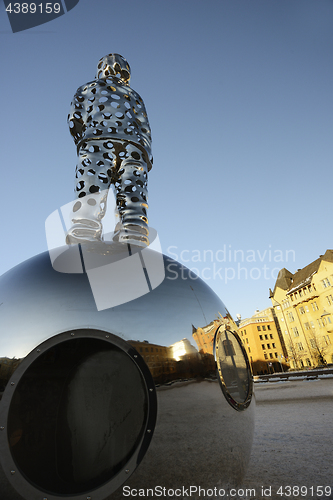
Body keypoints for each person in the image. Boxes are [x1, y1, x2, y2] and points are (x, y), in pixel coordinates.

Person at [66, 53, 152, 247]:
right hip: (133, 148)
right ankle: (133, 235)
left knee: (91, 191)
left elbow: (75, 120)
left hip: (96, 142)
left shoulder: (87, 88)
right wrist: (146, 155)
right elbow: (144, 126)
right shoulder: (134, 95)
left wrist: (83, 144)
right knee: (133, 196)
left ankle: (85, 232)